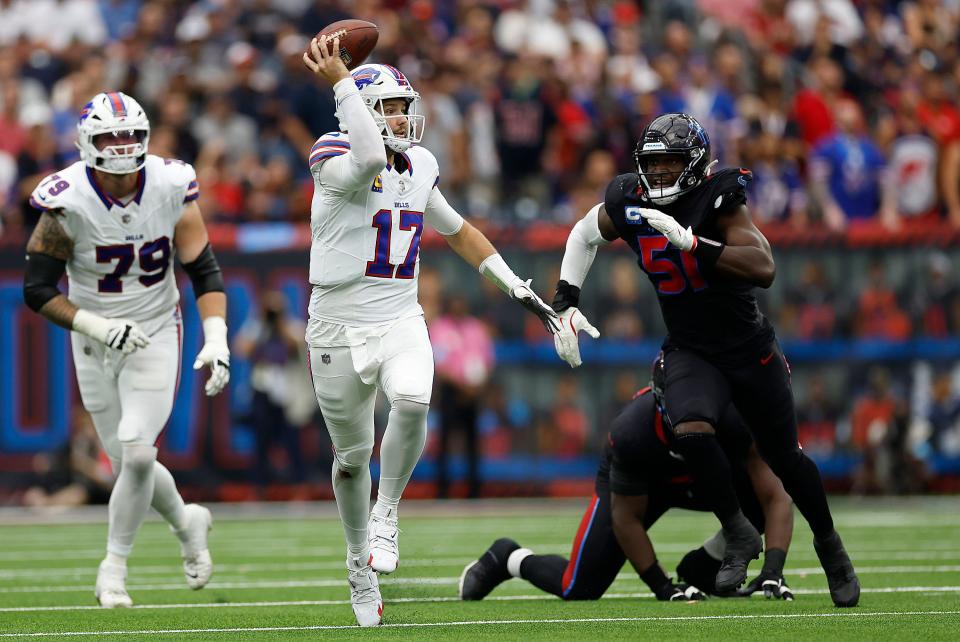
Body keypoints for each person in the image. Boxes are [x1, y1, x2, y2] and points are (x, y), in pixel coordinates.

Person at [549, 113, 860, 607]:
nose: (661, 174)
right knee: (690, 427)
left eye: (672, 163)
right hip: (692, 348)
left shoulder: (719, 198)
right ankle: (737, 529)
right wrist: (566, 298)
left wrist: (694, 242)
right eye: (654, 164)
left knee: (785, 458)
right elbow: (583, 234)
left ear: (694, 164)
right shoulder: (631, 200)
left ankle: (831, 548)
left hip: (747, 347)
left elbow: (764, 267)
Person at [301, 36, 559, 627]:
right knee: (349, 459)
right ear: (361, 110)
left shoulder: (419, 165)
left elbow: (459, 230)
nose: (401, 117)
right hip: (336, 324)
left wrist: (519, 288)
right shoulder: (332, 152)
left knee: (414, 399)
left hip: (398, 314)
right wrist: (343, 81)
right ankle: (357, 562)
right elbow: (366, 161)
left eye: (401, 106)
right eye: (388, 106)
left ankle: (386, 512)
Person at [22, 91, 230, 608]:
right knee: (125, 464)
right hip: (93, 336)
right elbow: (38, 290)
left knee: (137, 449)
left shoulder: (169, 184)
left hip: (156, 327)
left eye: (129, 135)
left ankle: (113, 568)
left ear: (145, 137)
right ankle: (187, 522)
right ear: (86, 143)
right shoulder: (66, 199)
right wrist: (95, 325)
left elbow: (203, 268)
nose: (120, 147)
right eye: (109, 136)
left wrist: (218, 337)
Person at [459, 383, 794, 602]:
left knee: (764, 488)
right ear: (661, 404)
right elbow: (626, 519)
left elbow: (776, 494)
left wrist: (772, 572)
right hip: (645, 486)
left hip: (708, 480)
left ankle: (701, 569)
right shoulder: (633, 431)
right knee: (579, 586)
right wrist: (663, 588)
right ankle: (507, 557)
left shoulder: (735, 417)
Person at [234, 290, 312, 492]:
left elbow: (298, 344)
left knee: (292, 442)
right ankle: (259, 488)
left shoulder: (292, 326)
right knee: (261, 441)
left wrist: (280, 322)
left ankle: (298, 487)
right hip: (263, 391)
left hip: (288, 393)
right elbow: (242, 349)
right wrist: (261, 323)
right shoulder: (257, 328)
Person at [431, 294, 495, 499]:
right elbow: (439, 363)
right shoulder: (440, 328)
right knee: (446, 441)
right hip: (451, 392)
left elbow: (487, 359)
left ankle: (474, 490)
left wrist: (476, 387)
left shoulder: (476, 328)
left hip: (474, 392)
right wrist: (461, 385)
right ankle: (443, 490)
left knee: (473, 442)